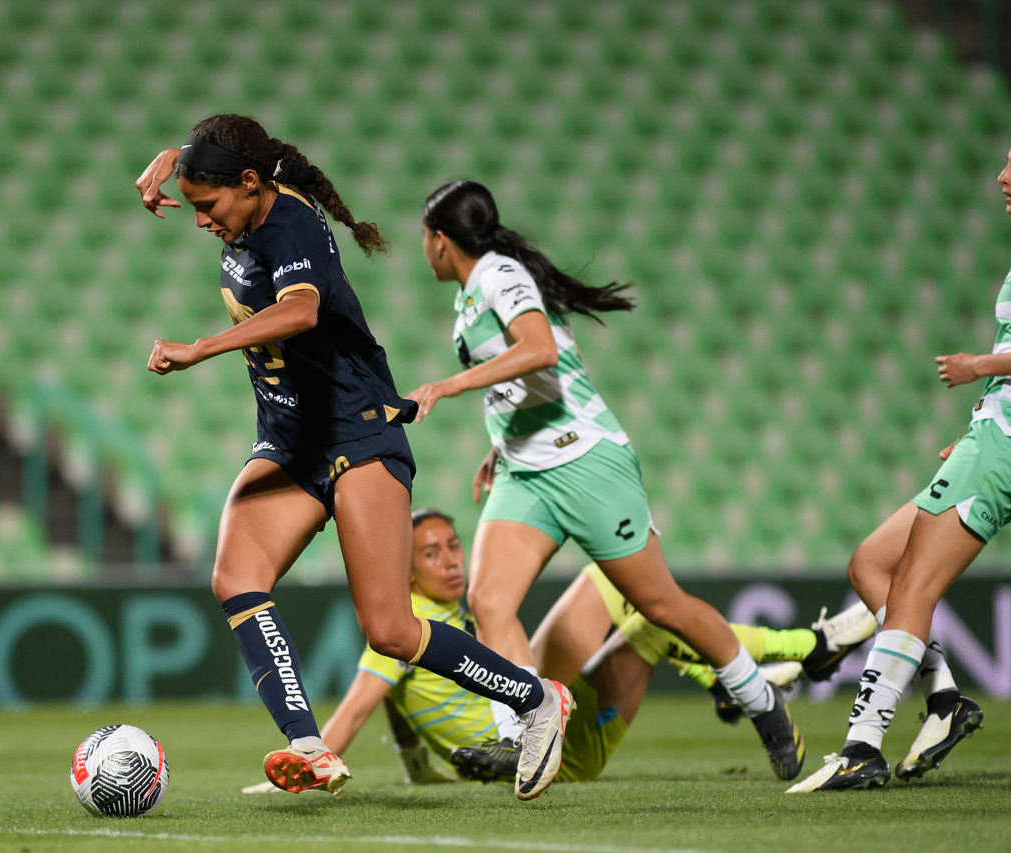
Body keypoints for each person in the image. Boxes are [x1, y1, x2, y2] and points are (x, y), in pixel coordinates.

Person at [134, 116, 573, 801]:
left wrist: (201, 347)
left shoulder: (294, 229)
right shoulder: (244, 199)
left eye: (207, 206)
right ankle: (310, 746)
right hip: (288, 434)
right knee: (236, 575)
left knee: (392, 629)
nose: (201, 221)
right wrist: (171, 158)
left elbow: (301, 312)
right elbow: (221, 157)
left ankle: (534, 701)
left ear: (250, 185)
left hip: (354, 427)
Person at [406, 180, 805, 781]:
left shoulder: (498, 272)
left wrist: (447, 385)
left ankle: (760, 701)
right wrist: (498, 443)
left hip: (584, 459)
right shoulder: (469, 295)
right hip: (526, 471)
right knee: (489, 602)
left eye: (422, 236)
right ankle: (523, 733)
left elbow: (539, 350)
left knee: (660, 604)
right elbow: (522, 377)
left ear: (440, 240)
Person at [242, 509, 873, 792]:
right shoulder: (408, 629)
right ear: (403, 572)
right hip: (553, 753)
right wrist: (308, 760)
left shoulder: (454, 621)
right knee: (627, 592)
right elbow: (358, 707)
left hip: (542, 716)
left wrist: (415, 769)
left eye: (454, 545)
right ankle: (776, 660)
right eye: (430, 554)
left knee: (629, 594)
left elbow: (392, 704)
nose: (452, 559)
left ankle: (737, 673)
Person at [785, 141, 1011, 793]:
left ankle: (862, 748)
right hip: (993, 436)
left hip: (1005, 444)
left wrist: (980, 367)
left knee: (912, 584)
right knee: (871, 564)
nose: (1001, 175)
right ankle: (944, 699)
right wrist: (978, 417)